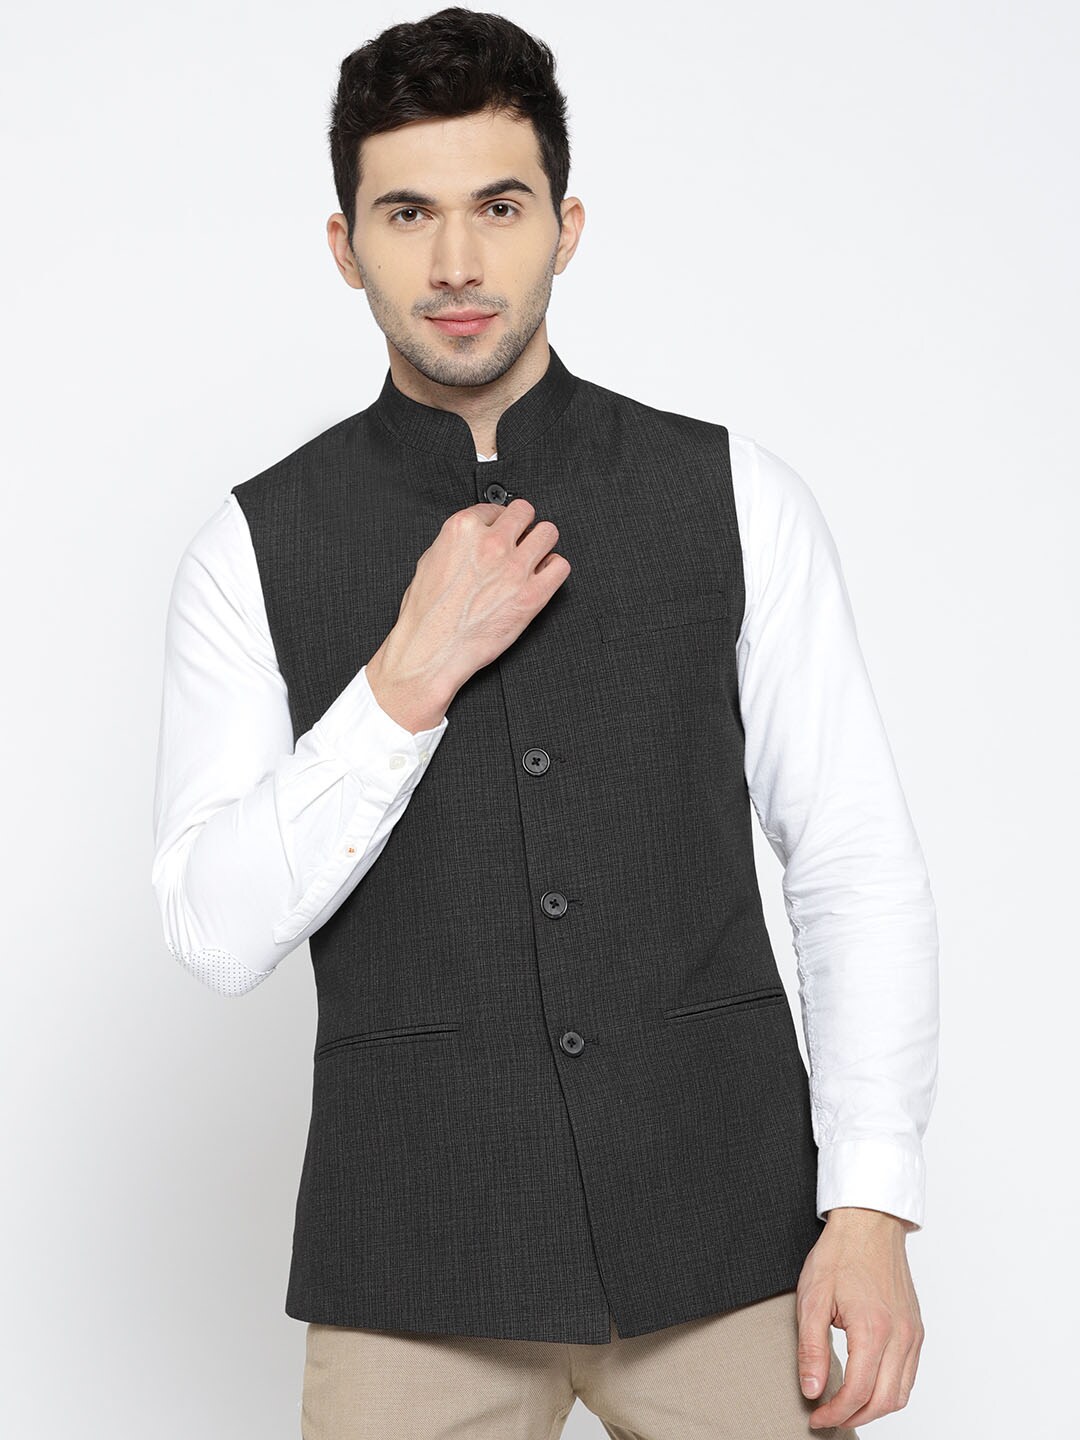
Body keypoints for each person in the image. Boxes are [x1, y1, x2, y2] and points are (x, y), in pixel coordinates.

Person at [151, 7, 939, 1437]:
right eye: (407, 213)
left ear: (566, 228)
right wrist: (401, 683)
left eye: (499, 207)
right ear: (344, 245)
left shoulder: (736, 498)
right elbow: (212, 926)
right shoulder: (250, 547)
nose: (456, 262)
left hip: (730, 1235)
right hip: (415, 1258)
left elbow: (850, 856)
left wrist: (870, 1204)